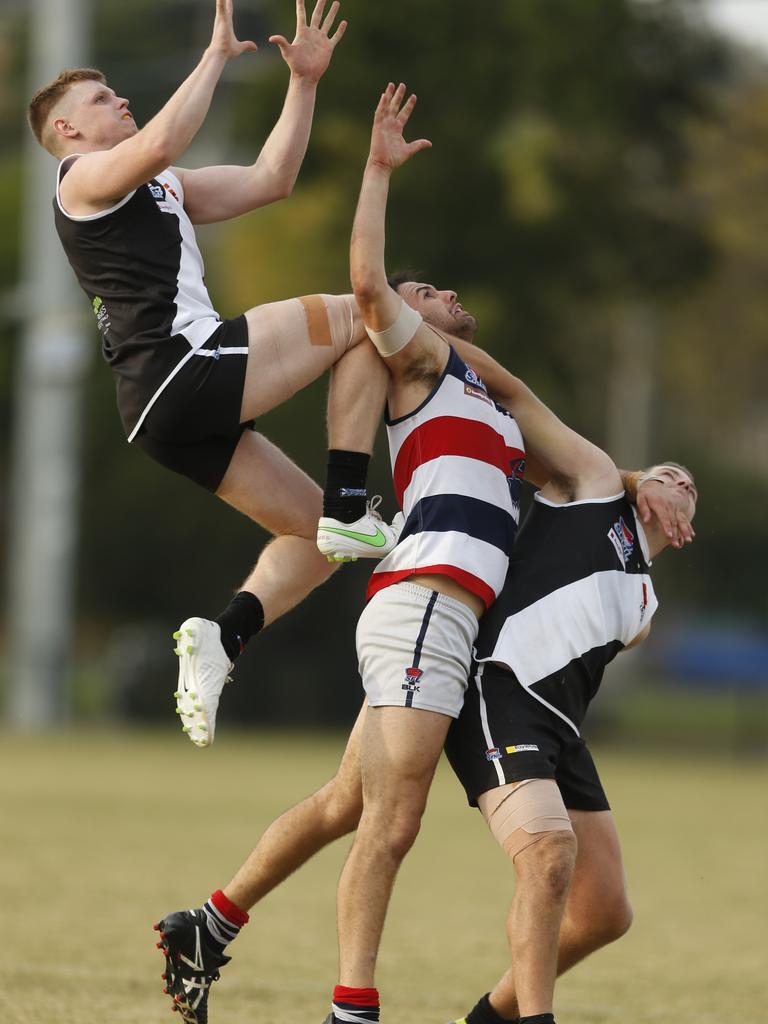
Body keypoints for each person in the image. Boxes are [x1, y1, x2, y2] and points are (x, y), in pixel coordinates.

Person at [151, 83, 694, 1024]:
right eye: (428, 293)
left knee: (346, 806)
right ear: (406, 328)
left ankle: (212, 921)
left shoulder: (488, 410)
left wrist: (649, 479)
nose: (445, 296)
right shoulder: (426, 368)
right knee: (392, 825)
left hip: (447, 611)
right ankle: (351, 1011)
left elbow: (568, 471)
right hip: (432, 605)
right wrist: (374, 172)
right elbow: (368, 285)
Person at [27, 0, 399, 749]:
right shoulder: (80, 181)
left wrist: (304, 82)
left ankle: (222, 638)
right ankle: (357, 500)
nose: (120, 99)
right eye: (101, 98)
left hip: (162, 414)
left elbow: (271, 179)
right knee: (368, 312)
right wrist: (216, 56)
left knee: (318, 540)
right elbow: (163, 140)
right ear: (67, 130)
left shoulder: (161, 187)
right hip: (182, 370)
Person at [443, 448, 697, 1022]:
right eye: (668, 472)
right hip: (502, 693)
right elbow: (535, 441)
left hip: (560, 729)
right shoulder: (589, 494)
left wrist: (647, 486)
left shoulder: (644, 608)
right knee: (549, 857)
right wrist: (632, 480)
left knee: (607, 912)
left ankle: (487, 1018)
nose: (682, 480)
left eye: (691, 486)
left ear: (685, 528)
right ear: (648, 493)